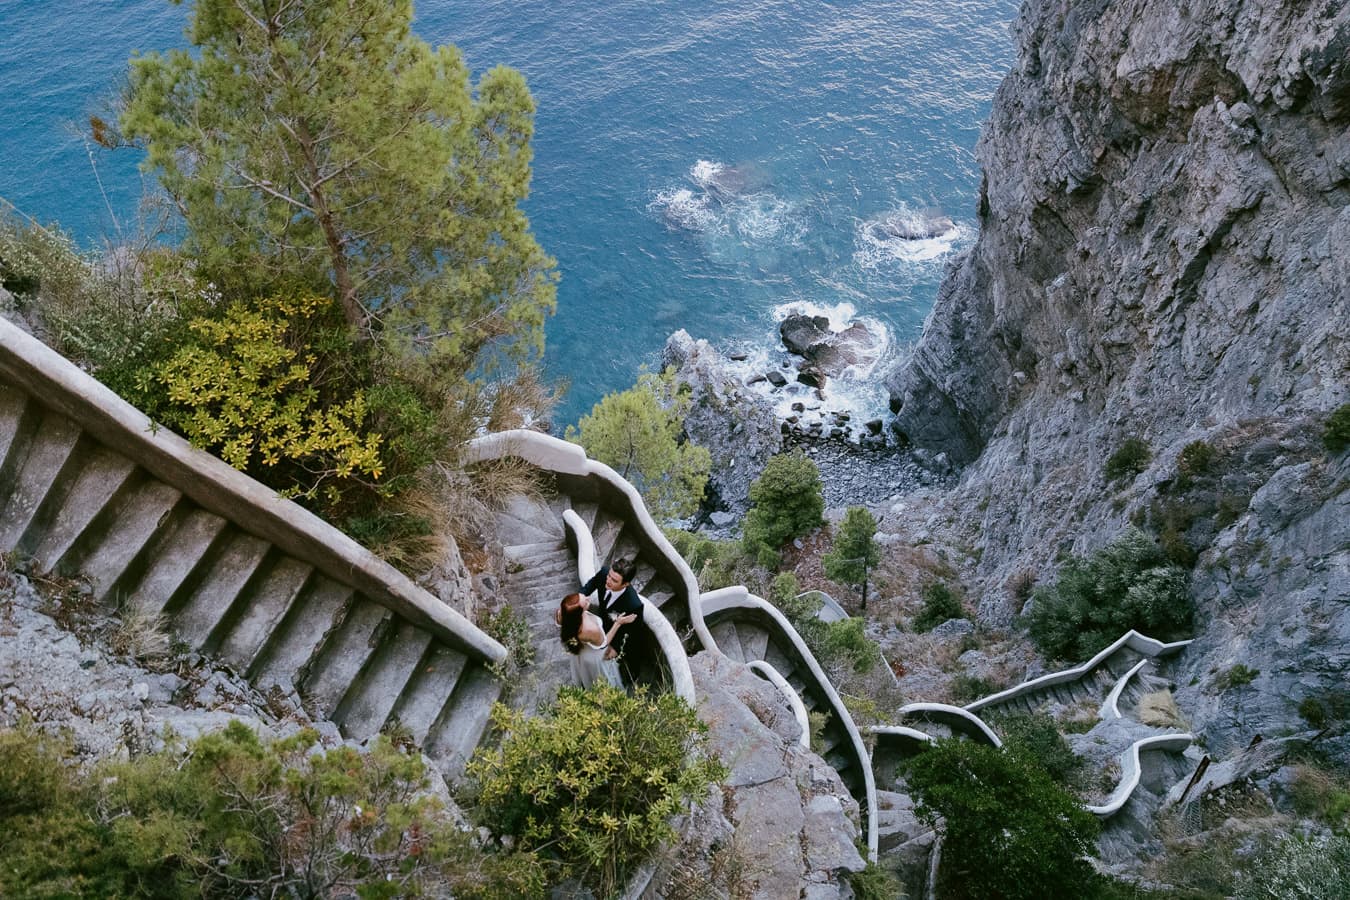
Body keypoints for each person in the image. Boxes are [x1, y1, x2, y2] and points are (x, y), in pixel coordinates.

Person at [558, 592, 635, 688]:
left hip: (581, 652)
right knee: (604, 681)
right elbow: (604, 643)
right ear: (580, 612)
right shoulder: (591, 629)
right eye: (585, 602)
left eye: (584, 596)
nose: (588, 598)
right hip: (595, 655)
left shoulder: (563, 613)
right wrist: (618, 623)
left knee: (586, 675)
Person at [578, 557, 644, 664]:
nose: (608, 580)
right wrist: (579, 598)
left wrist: (616, 647)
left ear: (625, 584)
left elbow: (633, 631)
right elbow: (592, 584)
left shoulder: (634, 605)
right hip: (601, 627)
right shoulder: (604, 573)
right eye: (609, 576)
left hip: (616, 635)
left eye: (614, 580)